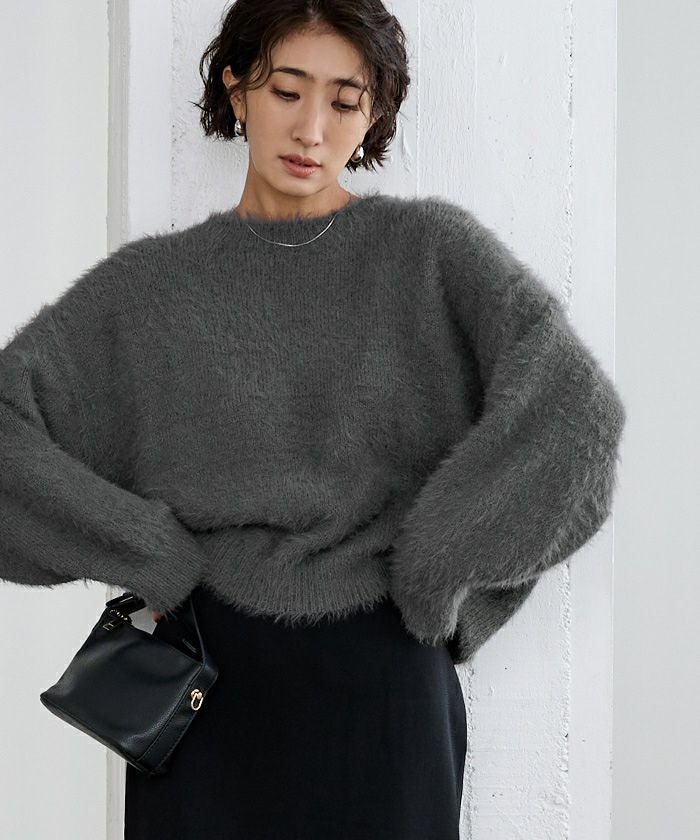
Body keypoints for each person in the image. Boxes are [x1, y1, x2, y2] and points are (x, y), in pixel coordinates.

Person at [0, 1, 626, 838]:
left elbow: (576, 420)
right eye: (287, 91)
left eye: (344, 100)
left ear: (374, 113)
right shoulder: (148, 289)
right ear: (237, 89)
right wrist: (145, 549)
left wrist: (439, 567)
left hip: (385, 685)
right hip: (205, 690)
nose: (312, 129)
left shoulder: (430, 254)